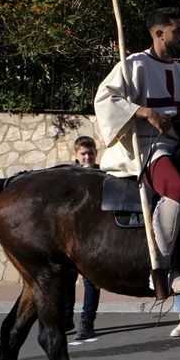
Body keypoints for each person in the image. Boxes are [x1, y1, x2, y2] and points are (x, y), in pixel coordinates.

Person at [93, 6, 180, 300]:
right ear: (159, 33)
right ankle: (163, 268)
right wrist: (144, 112)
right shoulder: (132, 66)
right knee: (175, 185)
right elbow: (105, 99)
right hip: (146, 148)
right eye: (179, 31)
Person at [72, 135, 103, 342]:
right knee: (65, 280)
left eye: (90, 153)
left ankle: (87, 321)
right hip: (70, 235)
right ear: (76, 155)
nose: (87, 157)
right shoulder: (69, 176)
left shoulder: (103, 174)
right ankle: (65, 318)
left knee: (91, 281)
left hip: (92, 237)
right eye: (83, 153)